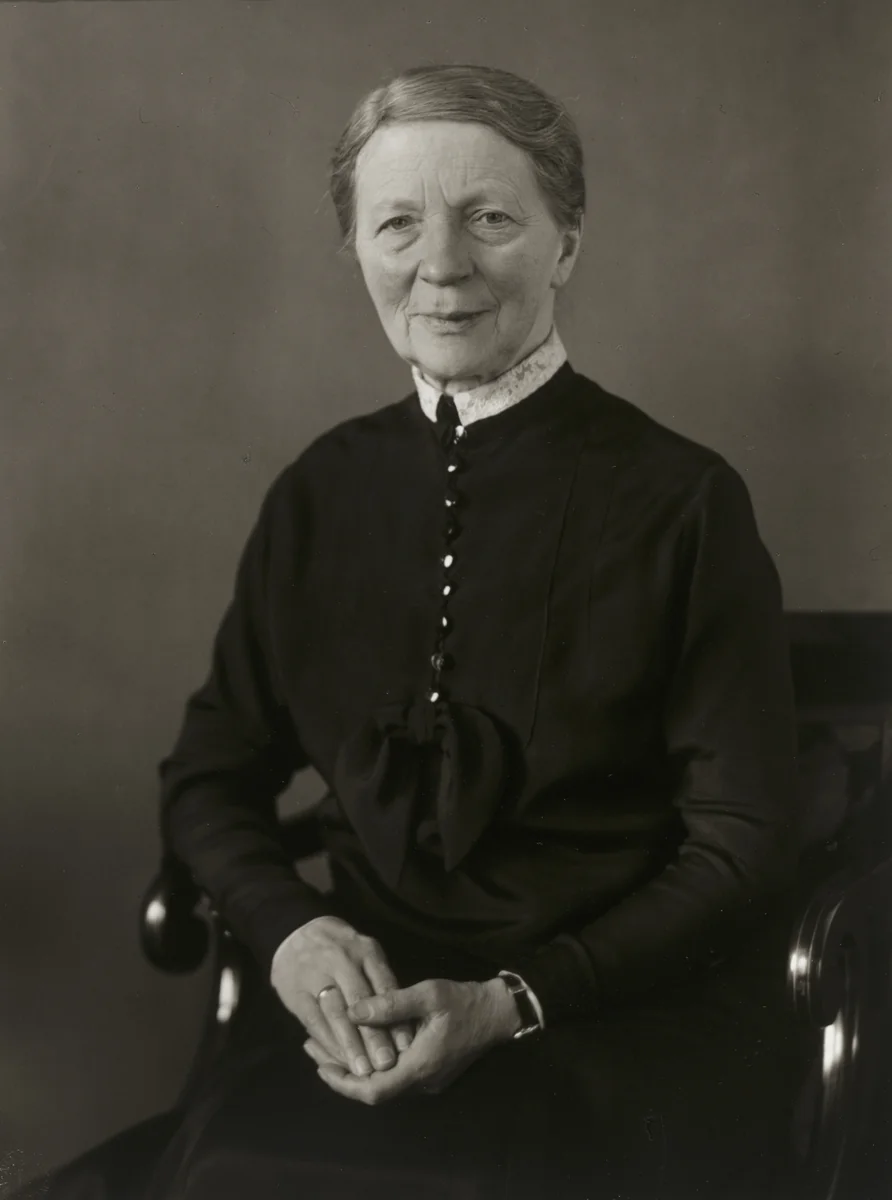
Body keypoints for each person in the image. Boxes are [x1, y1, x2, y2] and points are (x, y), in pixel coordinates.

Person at [25, 64, 810, 1199]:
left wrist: (514, 1001)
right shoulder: (318, 492)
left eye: (489, 219)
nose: (440, 266)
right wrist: (290, 931)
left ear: (566, 243)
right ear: (355, 247)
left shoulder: (684, 501)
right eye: (397, 223)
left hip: (615, 1029)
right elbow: (209, 777)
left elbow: (742, 845)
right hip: (362, 1029)